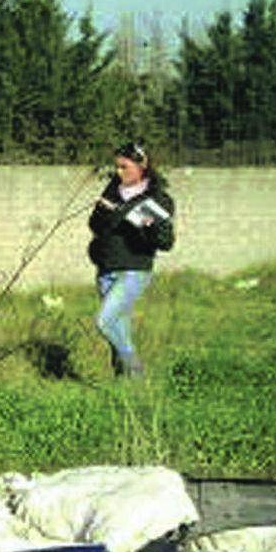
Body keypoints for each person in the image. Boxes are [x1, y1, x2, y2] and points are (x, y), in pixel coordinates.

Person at [87, 141, 175, 378]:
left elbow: (165, 242)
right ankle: (126, 387)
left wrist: (127, 217)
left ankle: (136, 368)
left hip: (133, 270)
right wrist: (107, 213)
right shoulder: (111, 192)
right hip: (105, 269)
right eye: (116, 167)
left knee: (104, 322)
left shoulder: (157, 198)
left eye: (124, 167)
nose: (119, 172)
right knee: (119, 328)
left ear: (142, 165)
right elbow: (94, 224)